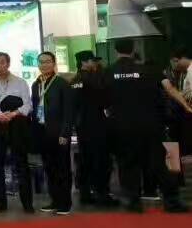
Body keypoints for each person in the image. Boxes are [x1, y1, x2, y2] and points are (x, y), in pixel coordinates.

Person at [105, 39, 188, 214]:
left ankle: (133, 202)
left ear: (116, 50)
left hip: (122, 126)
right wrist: (187, 106)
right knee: (162, 163)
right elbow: (170, 89)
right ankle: (172, 201)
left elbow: (102, 99)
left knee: (128, 164)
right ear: (133, 49)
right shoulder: (149, 70)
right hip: (151, 124)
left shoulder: (108, 72)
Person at [0, 52, 33, 213]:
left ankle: (27, 203)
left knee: (21, 163)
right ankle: (1, 202)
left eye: (2, 62)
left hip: (17, 126)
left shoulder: (20, 82)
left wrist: (13, 114)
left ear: (8, 63)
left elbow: (28, 105)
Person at [70, 50, 117, 207]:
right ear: (84, 62)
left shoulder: (75, 80)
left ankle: (85, 193)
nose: (95, 64)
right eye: (92, 61)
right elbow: (105, 100)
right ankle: (102, 194)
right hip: (96, 124)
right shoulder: (93, 79)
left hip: (81, 125)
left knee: (85, 160)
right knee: (101, 160)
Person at [31, 52, 73, 216]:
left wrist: (65, 133)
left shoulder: (62, 83)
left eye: (48, 61)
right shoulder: (36, 84)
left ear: (54, 63)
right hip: (43, 132)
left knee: (62, 168)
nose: (44, 65)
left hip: (59, 133)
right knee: (49, 168)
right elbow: (35, 108)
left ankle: (65, 203)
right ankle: (54, 200)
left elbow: (69, 111)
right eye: (41, 62)